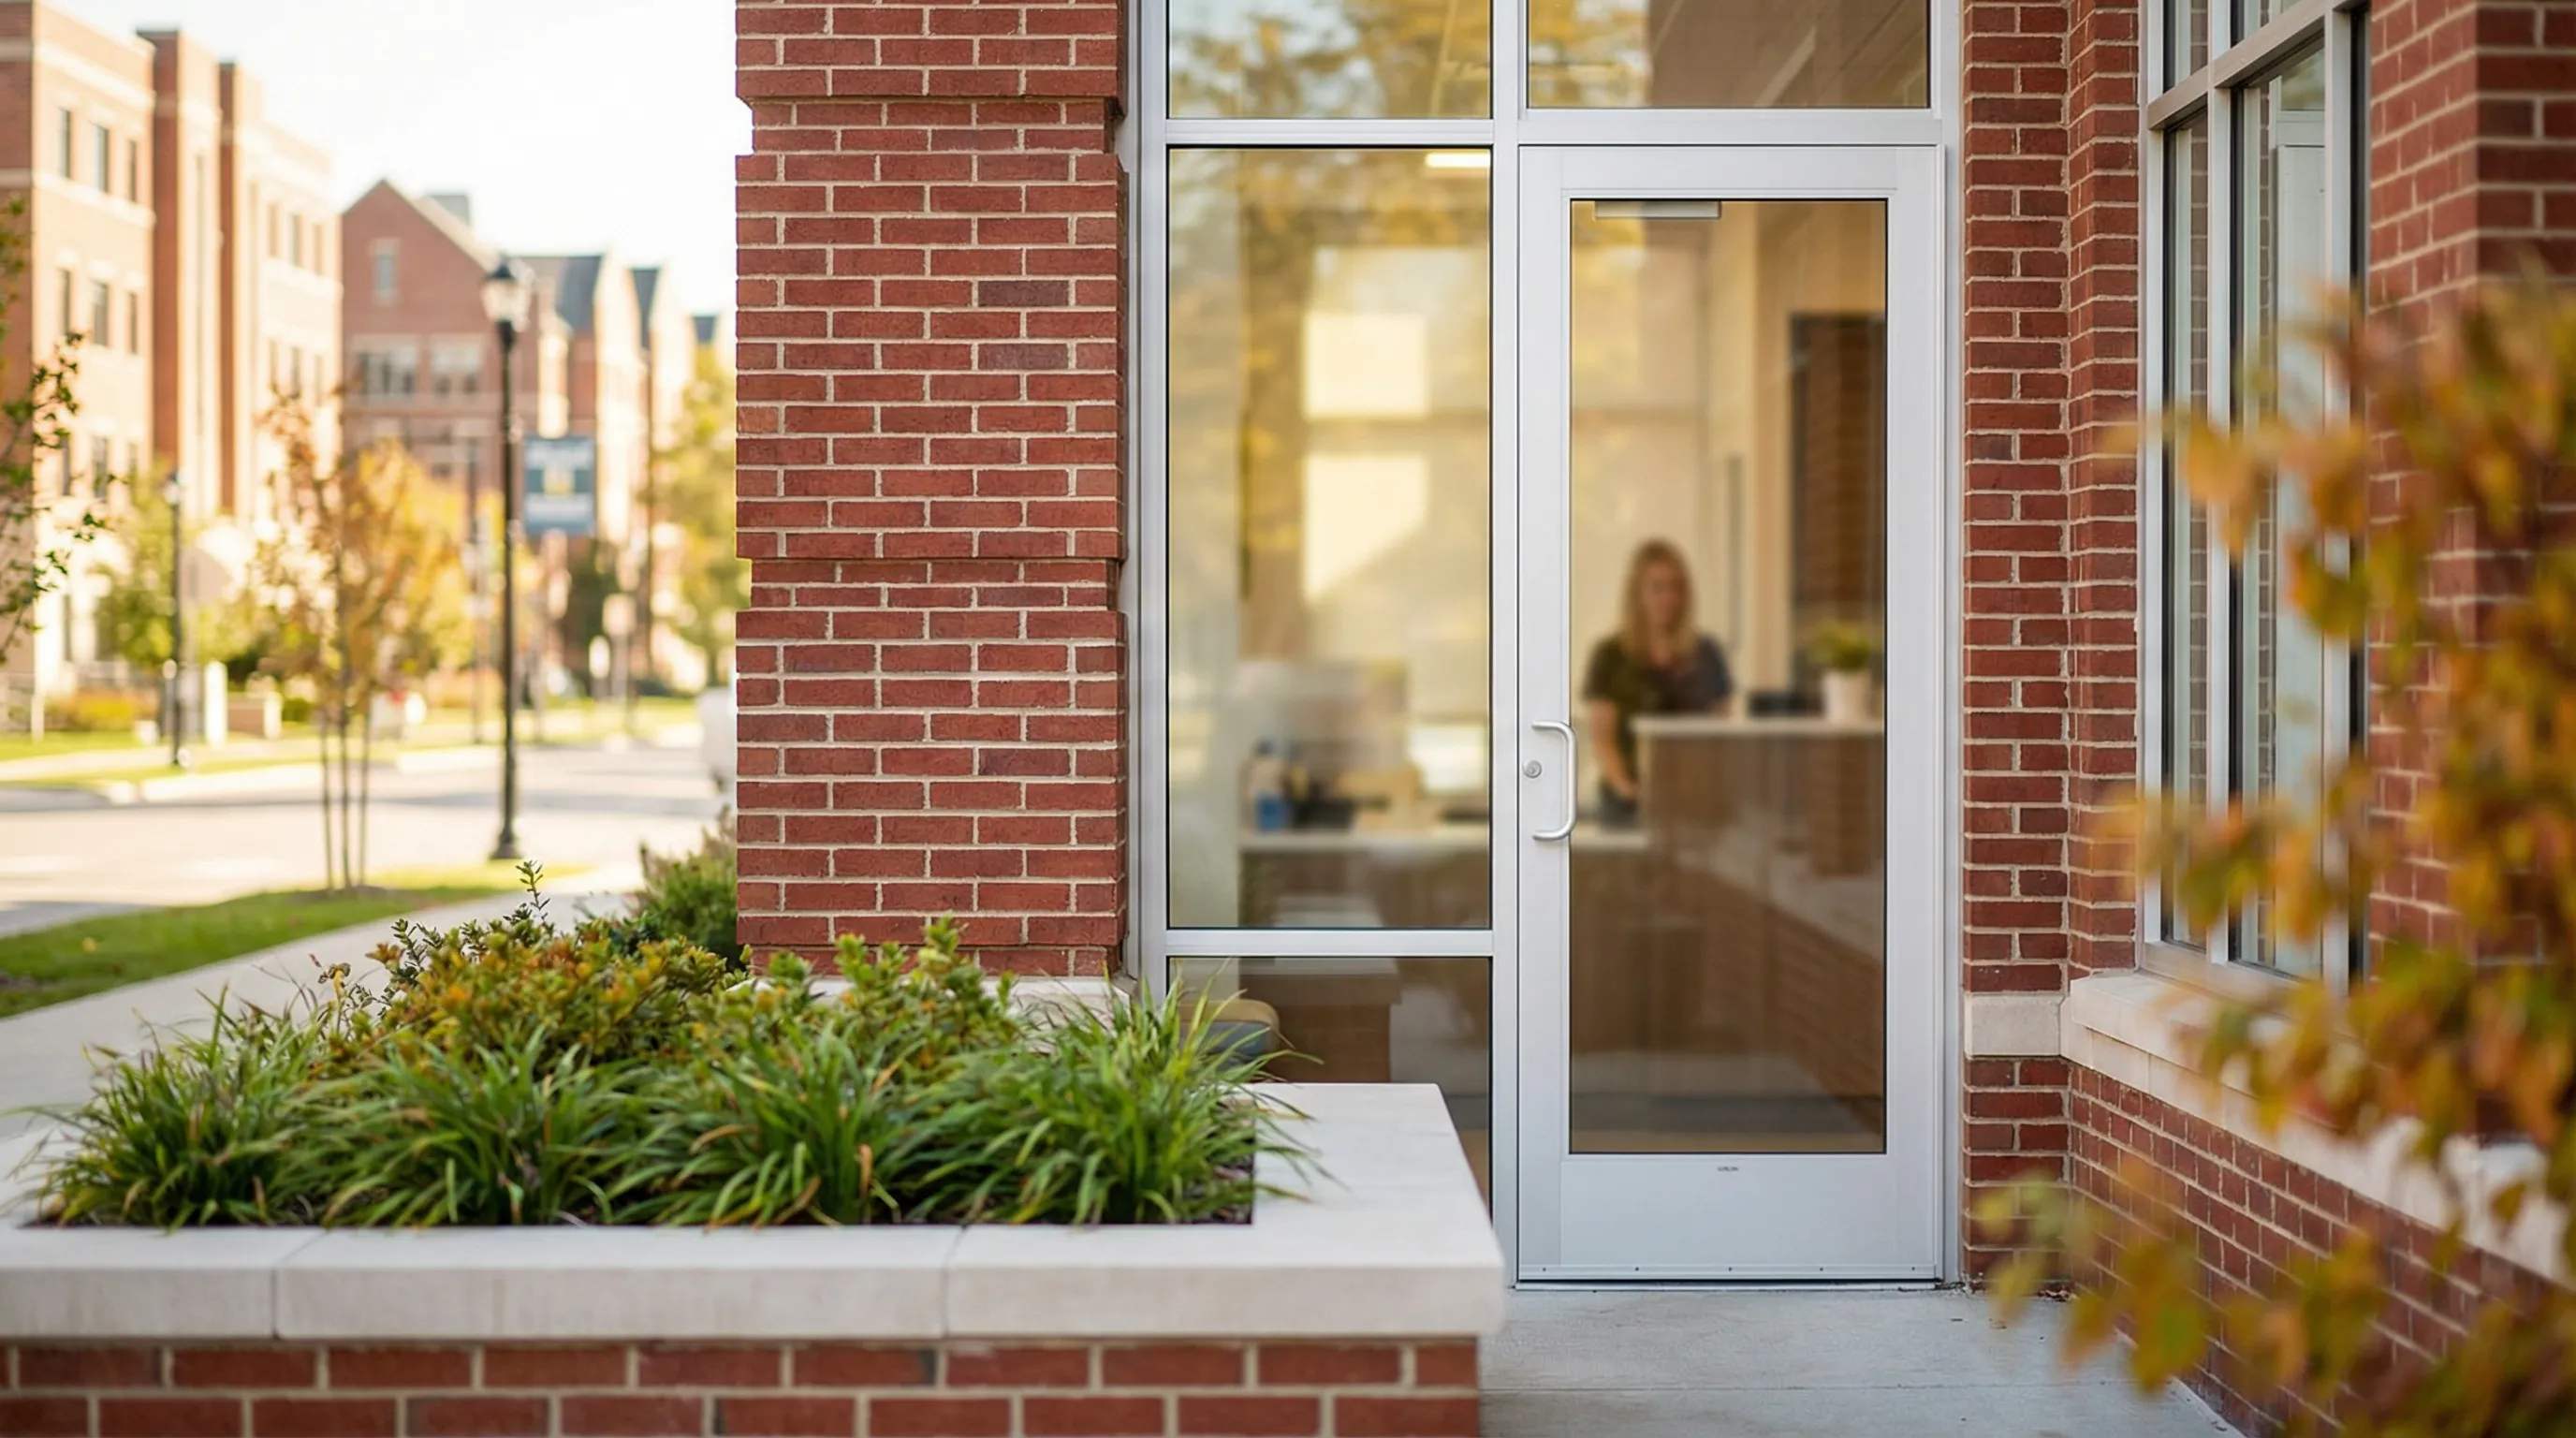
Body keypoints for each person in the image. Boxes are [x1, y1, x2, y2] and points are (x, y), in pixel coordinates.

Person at [1582, 539, 1733, 823]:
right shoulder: (1610, 656)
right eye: (1657, 587)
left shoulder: (1706, 654)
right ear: (1637, 594)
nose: (1668, 599)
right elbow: (1603, 739)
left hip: (1694, 802)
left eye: (1676, 587)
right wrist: (1629, 791)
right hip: (1627, 803)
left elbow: (1720, 734)